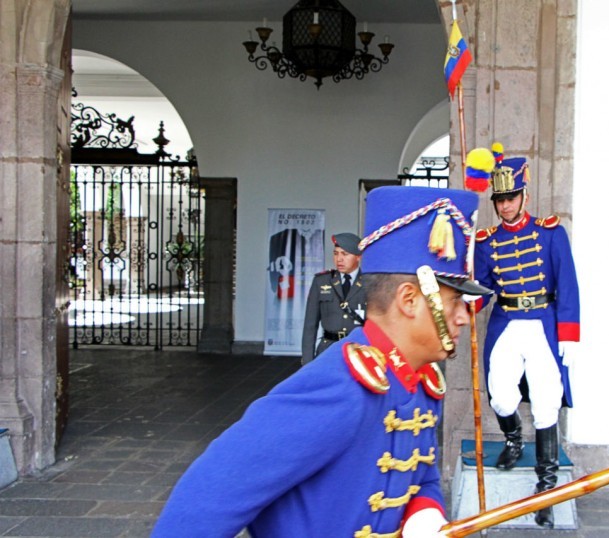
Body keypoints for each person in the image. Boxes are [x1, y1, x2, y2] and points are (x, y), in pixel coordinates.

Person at [151, 186, 491, 538]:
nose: (464, 317)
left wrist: (424, 516)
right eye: (454, 302)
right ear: (409, 299)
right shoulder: (339, 385)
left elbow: (423, 476)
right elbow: (208, 493)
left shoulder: (420, 383)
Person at [473, 145, 580, 529]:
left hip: (543, 324)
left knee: (546, 401)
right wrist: (467, 304)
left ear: (525, 196)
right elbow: (483, 288)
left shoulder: (550, 234)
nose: (504, 206)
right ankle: (514, 440)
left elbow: (566, 282)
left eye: (511, 198)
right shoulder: (486, 242)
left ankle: (546, 489)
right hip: (505, 322)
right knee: (501, 396)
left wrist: (568, 332)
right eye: (499, 199)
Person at [301, 232, 366, 365]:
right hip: (328, 350)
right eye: (336, 253)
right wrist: (307, 361)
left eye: (345, 254)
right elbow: (310, 325)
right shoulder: (322, 281)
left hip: (359, 350)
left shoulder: (368, 283)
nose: (339, 259)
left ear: (358, 257)